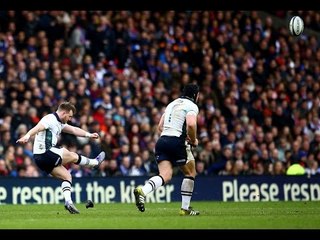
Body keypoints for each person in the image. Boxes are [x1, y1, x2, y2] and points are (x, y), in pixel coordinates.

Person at [16, 101, 105, 214]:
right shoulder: (50, 119)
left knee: (67, 177)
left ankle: (68, 202)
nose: (70, 119)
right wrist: (27, 136)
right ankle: (94, 163)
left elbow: (73, 130)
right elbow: (38, 127)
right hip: (45, 152)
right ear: (64, 113)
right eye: (70, 116)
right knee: (70, 154)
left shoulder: (60, 122)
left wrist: (89, 135)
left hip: (40, 159)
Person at [133, 83, 200, 216]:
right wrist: (193, 140)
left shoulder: (172, 104)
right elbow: (191, 124)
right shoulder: (191, 106)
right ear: (196, 95)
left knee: (165, 175)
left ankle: (143, 190)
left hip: (162, 141)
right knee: (190, 173)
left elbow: (160, 126)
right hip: (176, 142)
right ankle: (185, 209)